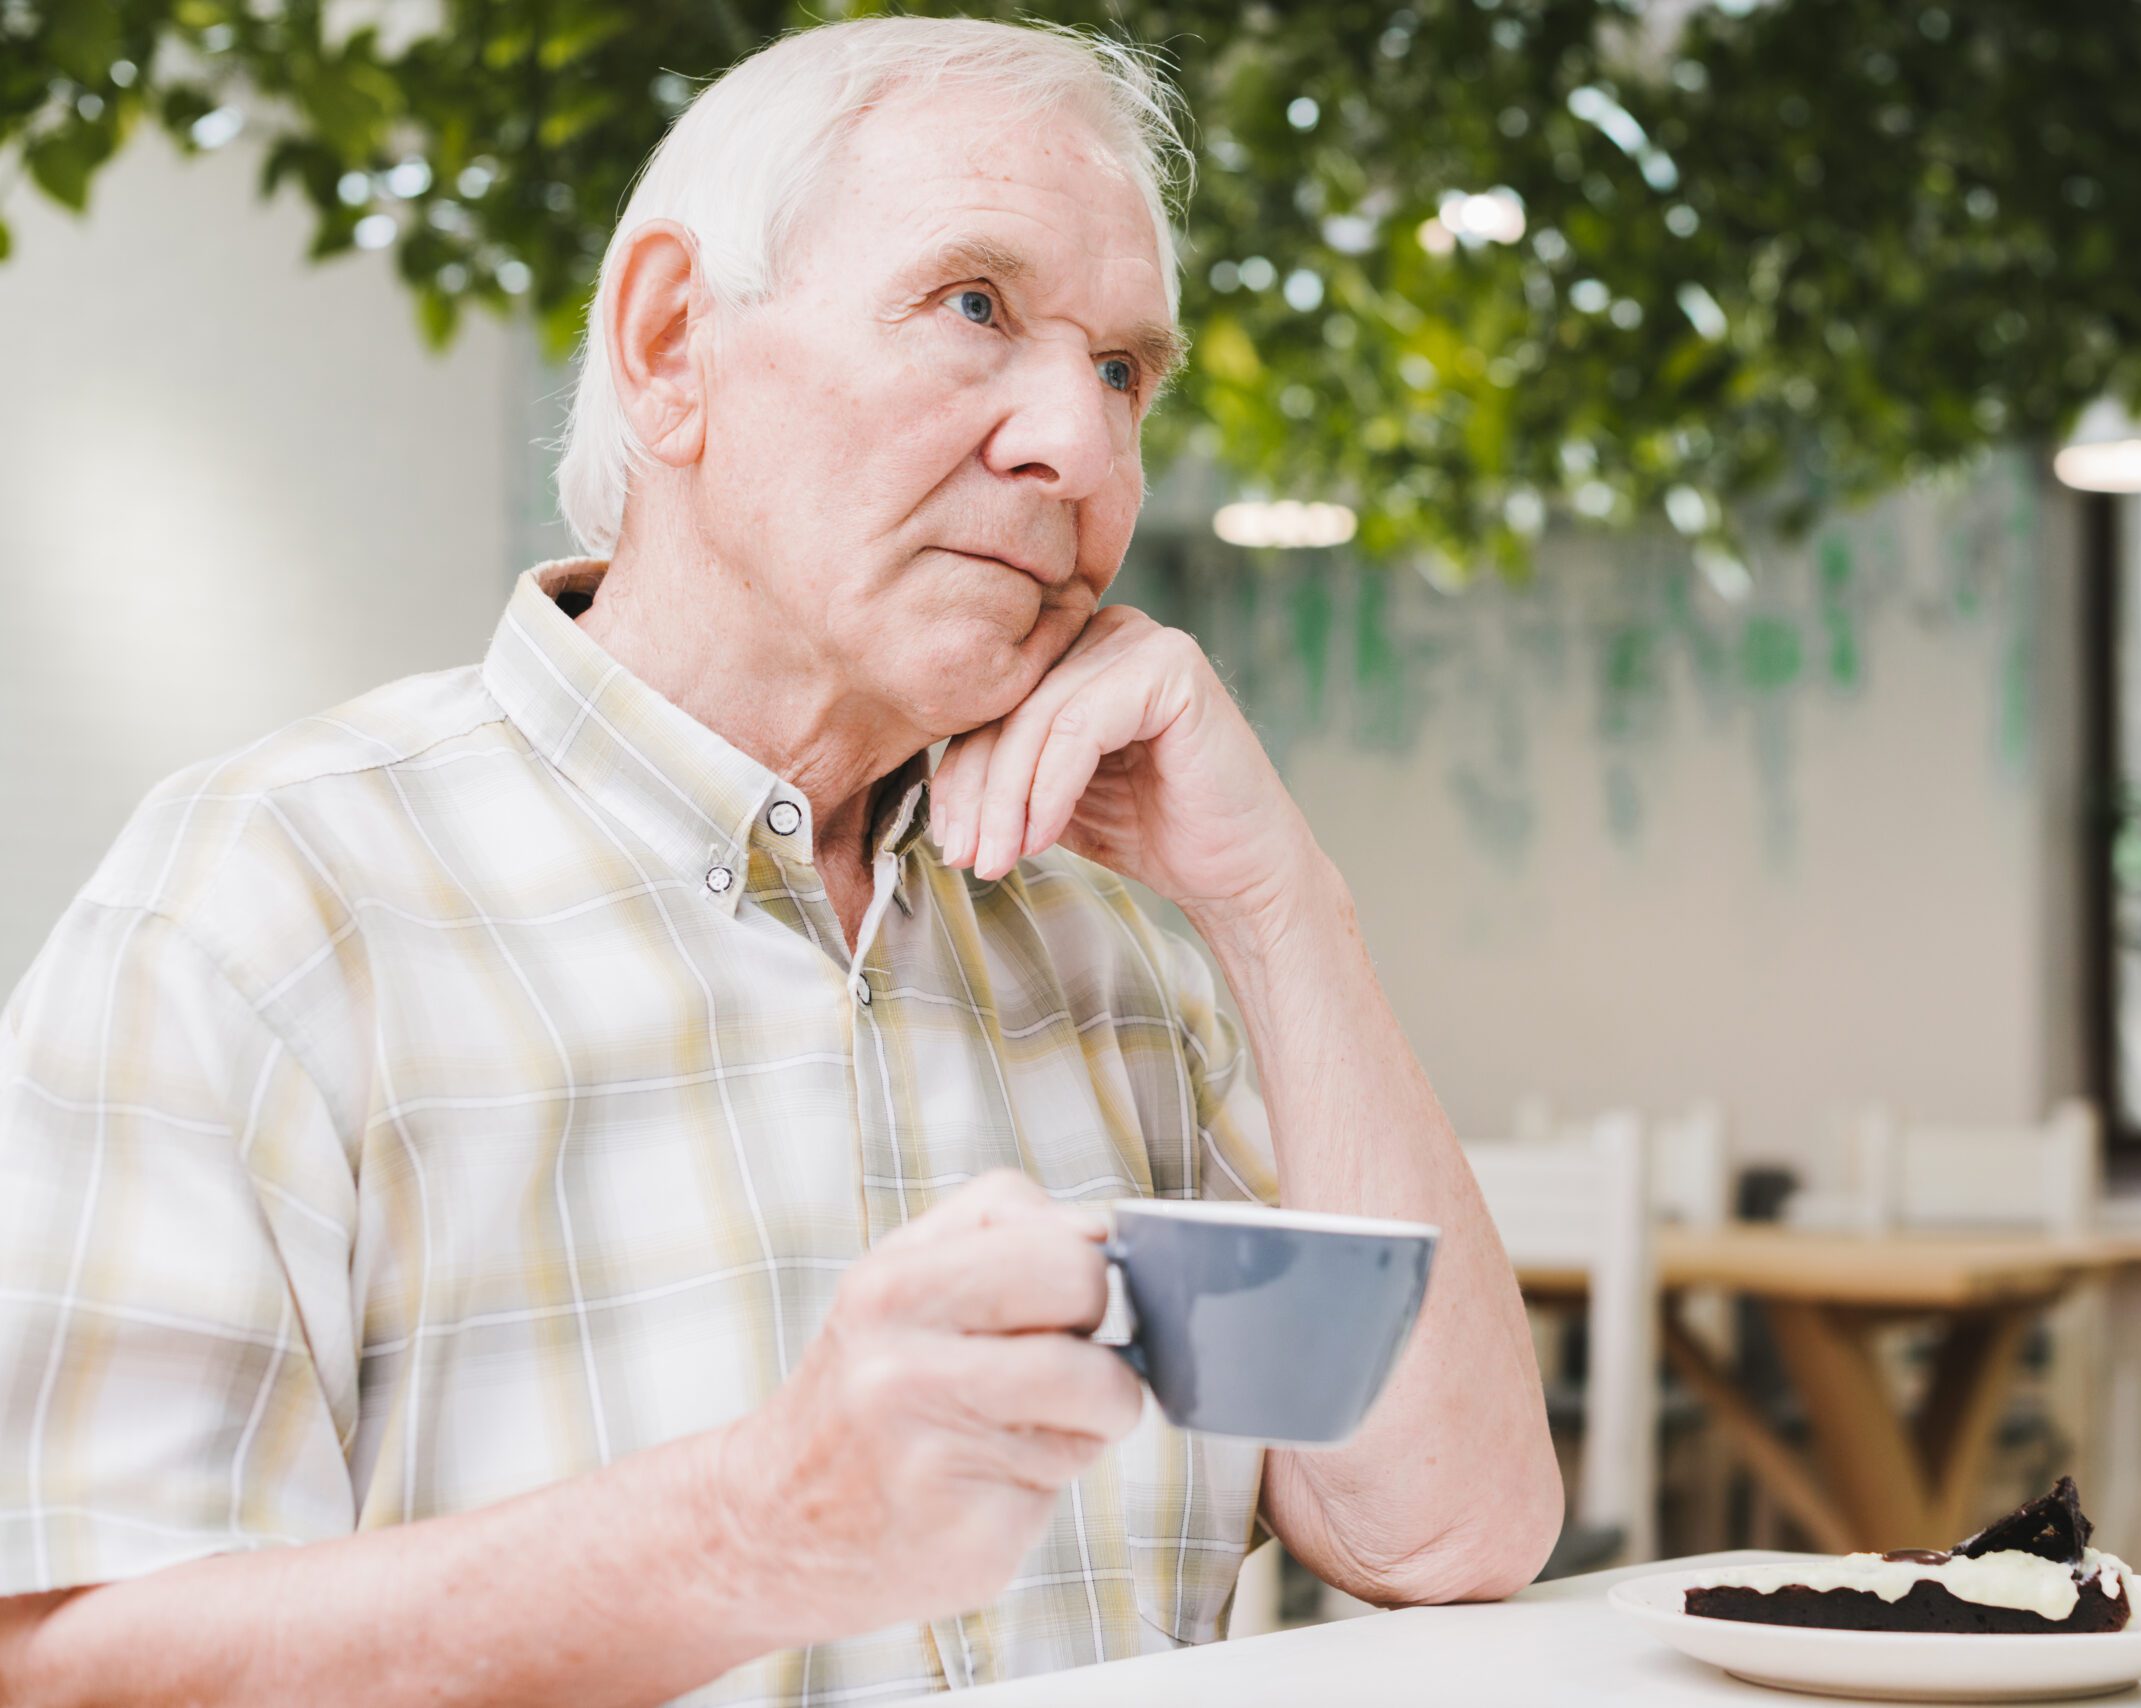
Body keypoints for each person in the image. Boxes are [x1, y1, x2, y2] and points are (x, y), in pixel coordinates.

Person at [0, 15, 1562, 1706]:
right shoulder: (271, 901)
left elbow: (1445, 1538)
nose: (1087, 452)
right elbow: (65, 1669)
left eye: (1124, 373)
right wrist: (754, 1534)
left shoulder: (1124, 943)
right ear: (672, 342)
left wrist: (1279, 904)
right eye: (976, 308)